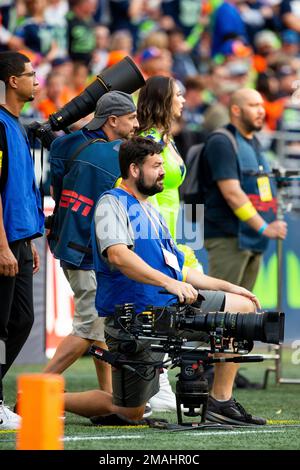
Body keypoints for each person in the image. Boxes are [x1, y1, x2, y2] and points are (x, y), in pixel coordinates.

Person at [64, 136, 267, 427]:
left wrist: (226, 286)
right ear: (134, 169)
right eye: (156, 165)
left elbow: (179, 270)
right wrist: (169, 283)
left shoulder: (152, 209)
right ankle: (49, 398)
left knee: (242, 309)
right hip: (132, 321)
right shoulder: (111, 202)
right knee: (130, 412)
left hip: (170, 311)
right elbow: (118, 256)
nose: (163, 171)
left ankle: (220, 403)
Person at [43, 91, 139, 395]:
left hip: (67, 241)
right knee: (89, 328)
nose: (136, 124)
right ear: (112, 120)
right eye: (131, 118)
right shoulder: (113, 156)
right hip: (90, 250)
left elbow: (57, 186)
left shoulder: (64, 144)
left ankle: (109, 398)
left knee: (99, 330)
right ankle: (34, 392)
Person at [137, 75, 201, 411]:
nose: (184, 101)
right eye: (178, 95)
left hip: (173, 235)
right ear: (164, 100)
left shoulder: (167, 138)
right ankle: (157, 383)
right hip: (155, 235)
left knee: (172, 308)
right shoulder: (148, 140)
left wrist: (187, 241)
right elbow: (146, 196)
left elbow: (179, 196)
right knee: (160, 308)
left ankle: (158, 381)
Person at [202, 88, 287, 292]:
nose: (261, 111)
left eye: (261, 105)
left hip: (253, 240)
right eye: (253, 105)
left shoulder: (254, 142)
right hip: (230, 238)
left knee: (244, 313)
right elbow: (232, 194)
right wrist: (264, 227)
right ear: (236, 110)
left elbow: (262, 187)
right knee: (221, 310)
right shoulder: (222, 141)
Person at [0, 51, 44, 430]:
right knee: (0, 324)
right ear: (13, 81)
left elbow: (19, 189)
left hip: (18, 239)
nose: (37, 80)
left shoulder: (19, 125)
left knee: (22, 319)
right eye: (31, 74)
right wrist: (1, 244)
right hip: (2, 241)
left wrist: (27, 240)